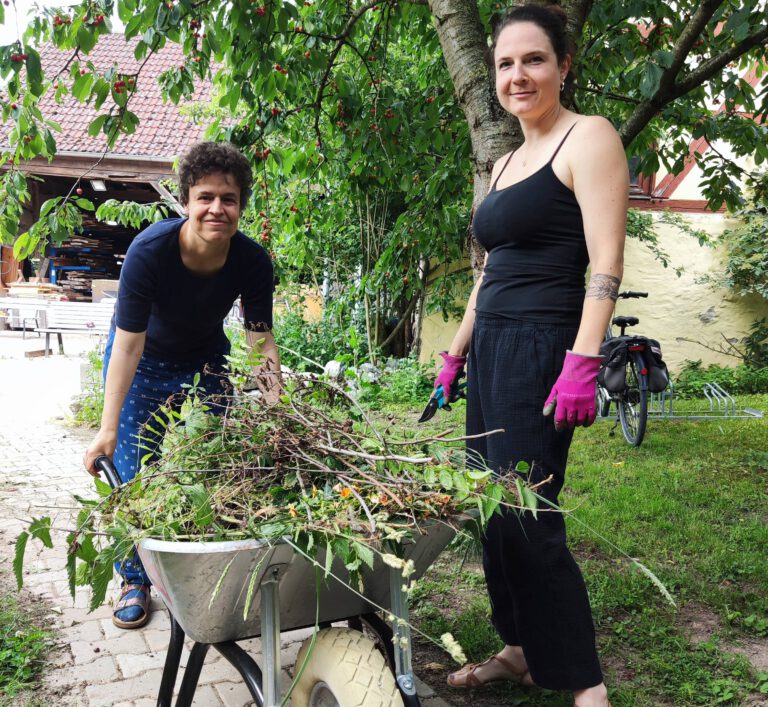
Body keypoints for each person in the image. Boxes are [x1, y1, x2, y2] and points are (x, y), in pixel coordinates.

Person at [434, 5, 627, 706]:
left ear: (563, 66)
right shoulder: (506, 161)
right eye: (505, 63)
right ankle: (517, 647)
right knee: (489, 510)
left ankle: (586, 685)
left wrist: (583, 357)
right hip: (490, 347)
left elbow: (606, 258)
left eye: (534, 59)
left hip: (543, 345)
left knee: (527, 511)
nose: (519, 75)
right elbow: (488, 274)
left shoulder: (589, 137)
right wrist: (455, 355)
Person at [83, 141, 281, 629]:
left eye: (229, 199)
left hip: (206, 363)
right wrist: (107, 430)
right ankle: (134, 577)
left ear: (241, 205)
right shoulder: (150, 251)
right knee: (134, 473)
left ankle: (204, 568)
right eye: (206, 197)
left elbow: (260, 342)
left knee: (214, 462)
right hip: (144, 361)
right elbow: (126, 346)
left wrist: (279, 411)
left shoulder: (252, 262)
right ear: (186, 201)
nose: (217, 208)